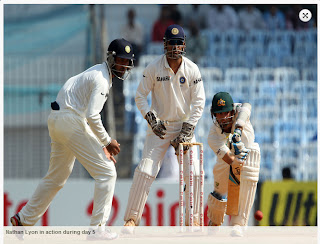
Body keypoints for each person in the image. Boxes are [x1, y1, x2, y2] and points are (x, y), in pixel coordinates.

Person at [10, 38, 135, 240]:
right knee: (107, 172)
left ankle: (23, 220)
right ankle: (97, 230)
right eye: (120, 60)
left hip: (59, 120)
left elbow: (86, 116)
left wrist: (99, 143)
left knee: (56, 178)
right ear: (111, 59)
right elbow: (93, 116)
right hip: (69, 121)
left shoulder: (97, 72)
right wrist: (106, 141)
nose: (124, 65)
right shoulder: (102, 79)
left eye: (126, 62)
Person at [123, 24, 205, 228]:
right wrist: (151, 118)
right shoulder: (153, 68)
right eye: (171, 43)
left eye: (178, 43)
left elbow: (200, 101)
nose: (175, 47)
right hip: (159, 127)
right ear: (165, 44)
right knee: (145, 170)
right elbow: (140, 95)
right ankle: (132, 219)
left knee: (194, 172)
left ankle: (193, 219)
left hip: (184, 128)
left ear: (184, 45)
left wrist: (188, 128)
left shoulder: (192, 69)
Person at [206, 92, 260, 237]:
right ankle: (215, 221)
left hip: (247, 153)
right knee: (219, 190)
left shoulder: (239, 111)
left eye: (225, 113)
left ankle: (238, 223)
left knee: (253, 152)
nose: (223, 118)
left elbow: (247, 105)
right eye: (219, 114)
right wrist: (235, 158)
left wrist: (238, 129)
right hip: (229, 157)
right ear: (213, 115)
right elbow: (229, 159)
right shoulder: (213, 136)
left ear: (232, 110)